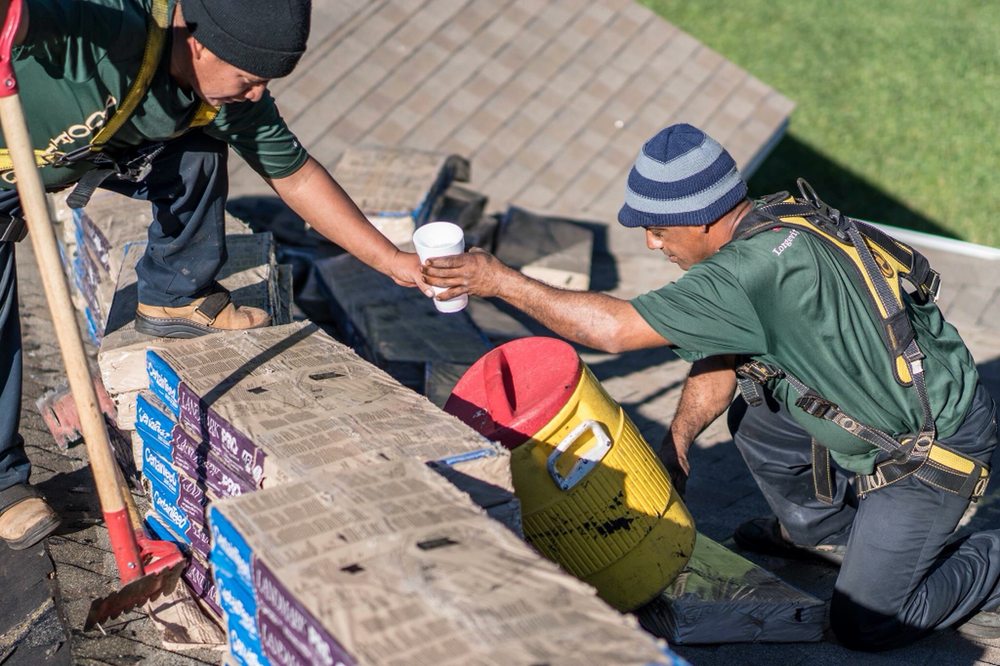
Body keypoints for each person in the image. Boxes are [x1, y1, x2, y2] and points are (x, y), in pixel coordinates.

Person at [422, 122, 1000, 650]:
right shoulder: (775, 221)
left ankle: (985, 555)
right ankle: (824, 531)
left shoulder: (747, 274)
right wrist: (677, 444)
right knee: (756, 406)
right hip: (890, 406)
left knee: (865, 624)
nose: (652, 243)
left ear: (701, 217)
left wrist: (497, 279)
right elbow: (725, 355)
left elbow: (614, 331)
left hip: (930, 452)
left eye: (656, 228)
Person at [0, 0, 428, 550]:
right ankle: (6, 485)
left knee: (198, 145)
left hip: (73, 158)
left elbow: (293, 174)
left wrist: (390, 260)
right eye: (249, 80)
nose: (255, 95)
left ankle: (174, 295)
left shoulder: (222, 91)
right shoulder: (107, 25)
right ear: (199, 43)